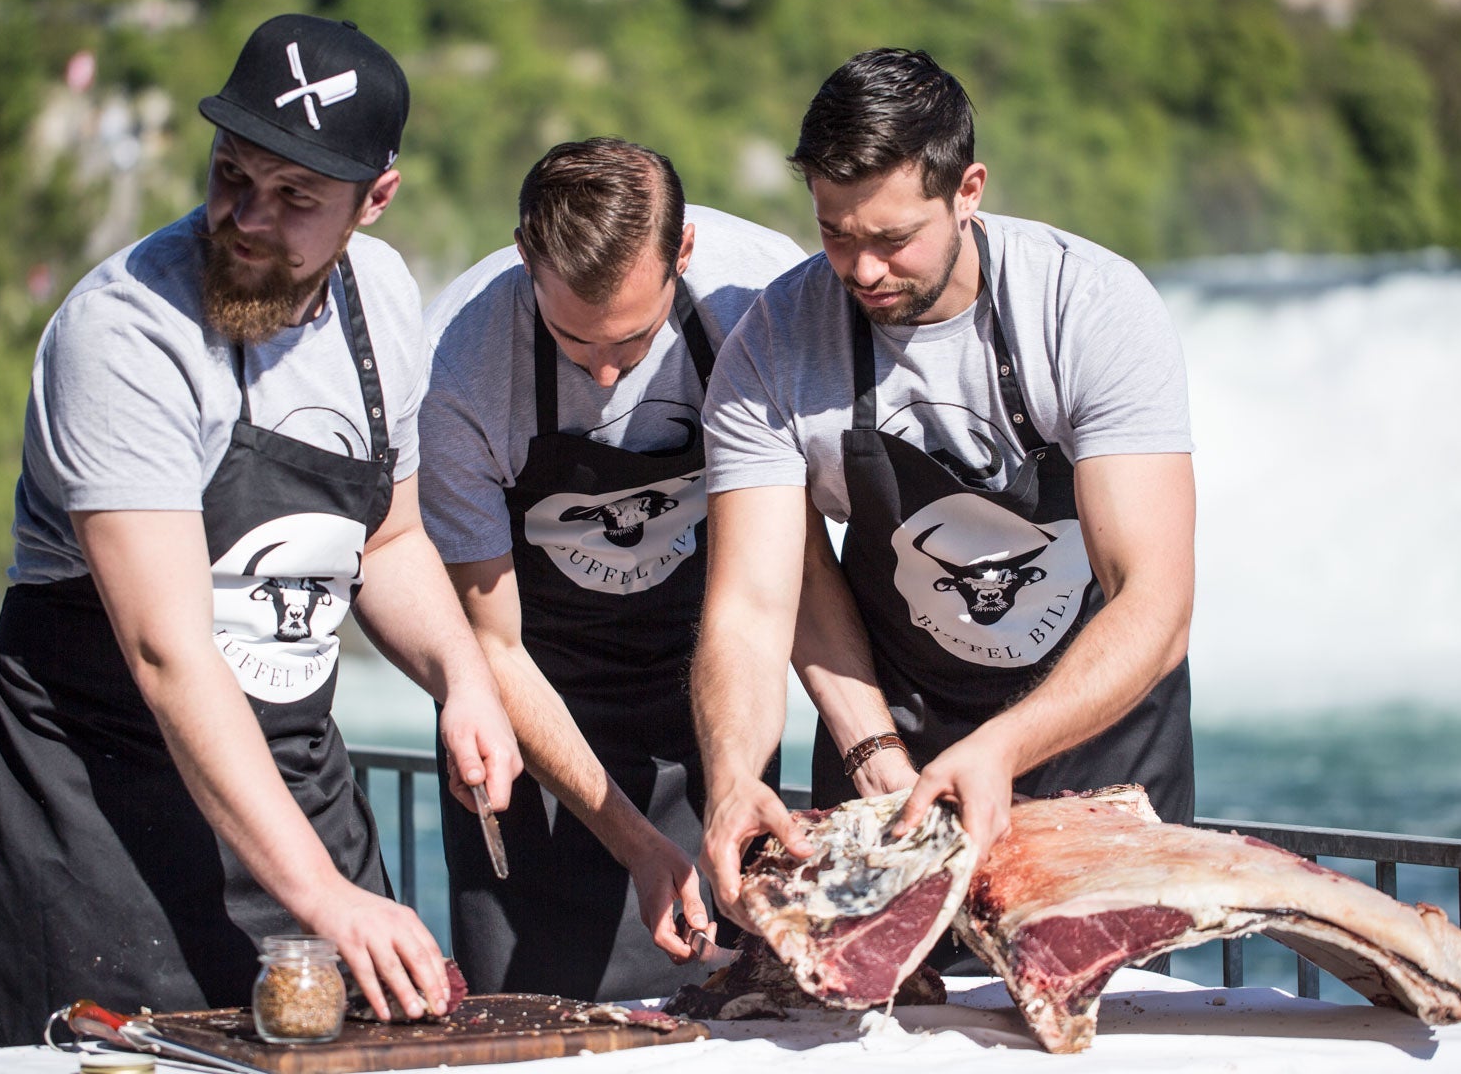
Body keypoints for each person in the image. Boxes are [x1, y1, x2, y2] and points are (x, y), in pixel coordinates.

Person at [0, 15, 523, 1048]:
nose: (247, 218)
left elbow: (387, 544)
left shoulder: (384, 300)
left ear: (374, 201)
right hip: (101, 825)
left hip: (296, 790)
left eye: (297, 197)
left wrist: (463, 674)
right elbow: (169, 651)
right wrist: (327, 896)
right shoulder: (125, 334)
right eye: (232, 174)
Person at [692, 49, 1197, 936]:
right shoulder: (773, 343)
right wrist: (747, 774)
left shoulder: (1091, 307)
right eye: (835, 235)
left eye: (892, 239)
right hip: (889, 736)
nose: (864, 270)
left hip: (1099, 738)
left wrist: (1003, 747)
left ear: (968, 190)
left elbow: (1155, 602)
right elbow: (756, 601)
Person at [417, 138, 806, 1000]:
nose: (602, 371)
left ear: (687, 251)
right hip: (539, 706)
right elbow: (492, 646)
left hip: (709, 686)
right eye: (571, 340)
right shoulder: (457, 366)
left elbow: (779, 580)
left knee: (746, 1017)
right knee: (534, 1022)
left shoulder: (762, 301)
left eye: (632, 341)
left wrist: (737, 777)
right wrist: (636, 844)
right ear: (526, 255)